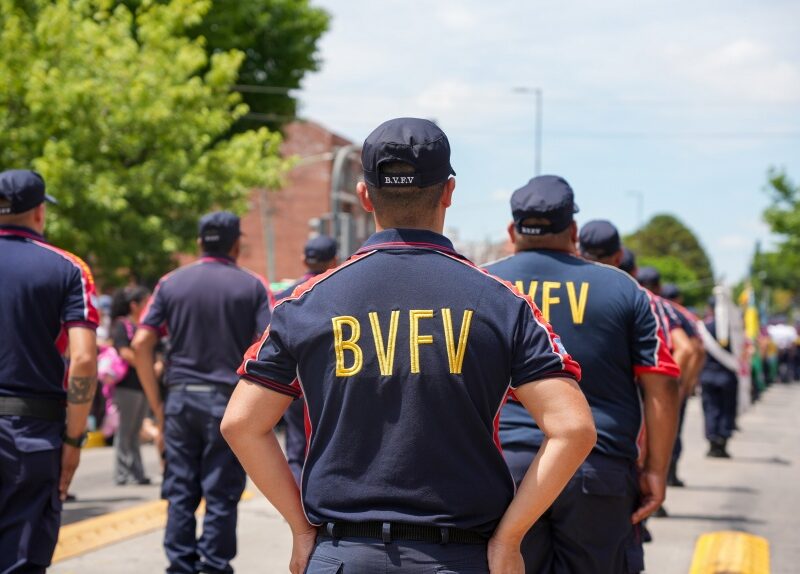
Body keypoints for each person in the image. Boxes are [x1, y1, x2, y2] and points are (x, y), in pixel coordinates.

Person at [222, 118, 596, 574]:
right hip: (458, 555)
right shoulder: (503, 303)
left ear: (365, 195)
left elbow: (241, 423)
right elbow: (573, 428)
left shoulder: (306, 302)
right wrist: (509, 538)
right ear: (449, 192)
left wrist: (301, 529)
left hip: (342, 553)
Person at [486, 192, 680, 573]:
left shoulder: (482, 282)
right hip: (598, 470)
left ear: (511, 230)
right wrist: (657, 470)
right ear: (573, 231)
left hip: (505, 470)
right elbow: (662, 384)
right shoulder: (623, 288)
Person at [132, 211, 273, 574]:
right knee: (221, 490)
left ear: (198, 243)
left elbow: (141, 341)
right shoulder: (253, 285)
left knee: (180, 489)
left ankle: (180, 565)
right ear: (236, 244)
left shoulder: (170, 283)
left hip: (180, 398)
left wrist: (157, 405)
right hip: (227, 399)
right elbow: (271, 342)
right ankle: (214, 564)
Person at [0, 169, 99, 572]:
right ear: (39, 212)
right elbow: (84, 359)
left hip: (29, 428)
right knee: (20, 557)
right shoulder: (69, 269)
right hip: (30, 432)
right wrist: (74, 439)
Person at [275, 235, 339, 485]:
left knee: (297, 450)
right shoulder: (340, 289)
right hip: (332, 383)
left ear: (304, 260)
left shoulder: (286, 295)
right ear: (334, 260)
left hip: (294, 384)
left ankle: (298, 502)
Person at [110, 286, 156, 486]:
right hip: (127, 386)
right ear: (134, 305)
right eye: (146, 302)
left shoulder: (144, 326)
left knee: (136, 431)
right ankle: (122, 473)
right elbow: (124, 352)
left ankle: (137, 472)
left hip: (142, 385)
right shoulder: (122, 325)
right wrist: (146, 367)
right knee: (125, 430)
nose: (149, 306)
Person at [660, 283, 706, 485]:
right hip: (671, 380)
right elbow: (695, 350)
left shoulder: (641, 304)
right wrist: (684, 385)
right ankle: (668, 474)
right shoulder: (681, 315)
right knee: (671, 430)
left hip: (643, 381)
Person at [697, 298, 740, 458]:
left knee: (710, 408)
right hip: (727, 374)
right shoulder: (734, 328)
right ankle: (722, 441)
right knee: (726, 409)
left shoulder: (704, 327)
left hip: (708, 374)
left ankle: (712, 442)